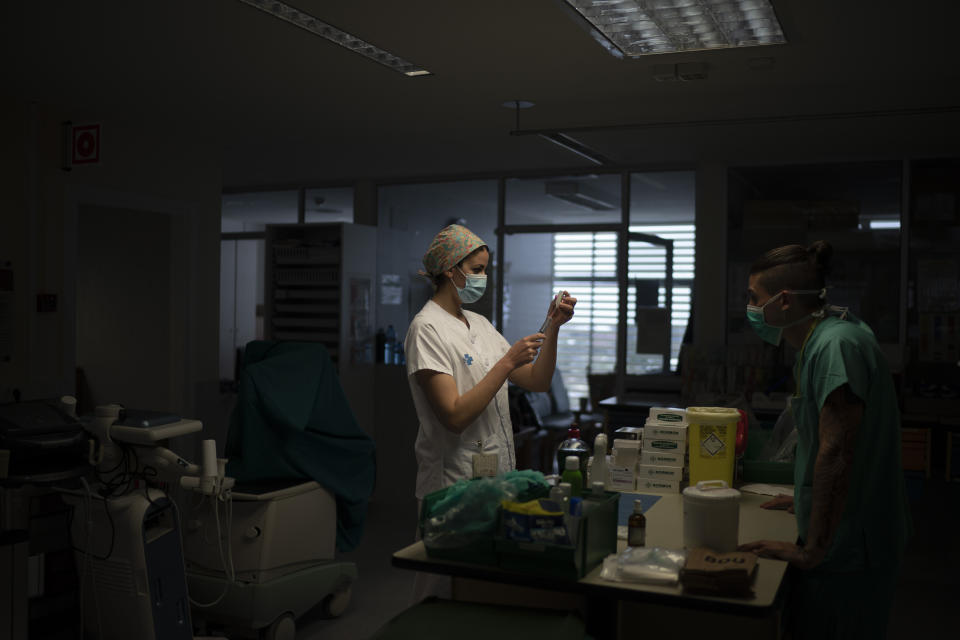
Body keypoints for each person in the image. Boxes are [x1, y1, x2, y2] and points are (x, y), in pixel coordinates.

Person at [737, 240, 911, 639]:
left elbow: (836, 452)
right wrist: (803, 494)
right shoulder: (824, 336)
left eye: (753, 297)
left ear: (782, 301)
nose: (749, 307)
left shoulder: (836, 346)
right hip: (839, 529)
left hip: (850, 544)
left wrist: (811, 549)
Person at [405, 223, 576, 500]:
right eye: (476, 270)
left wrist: (554, 327)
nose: (483, 277)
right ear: (450, 269)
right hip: (452, 483)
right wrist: (507, 362)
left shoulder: (479, 324)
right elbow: (455, 416)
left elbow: (538, 381)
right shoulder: (427, 328)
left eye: (485, 270)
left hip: (496, 476)